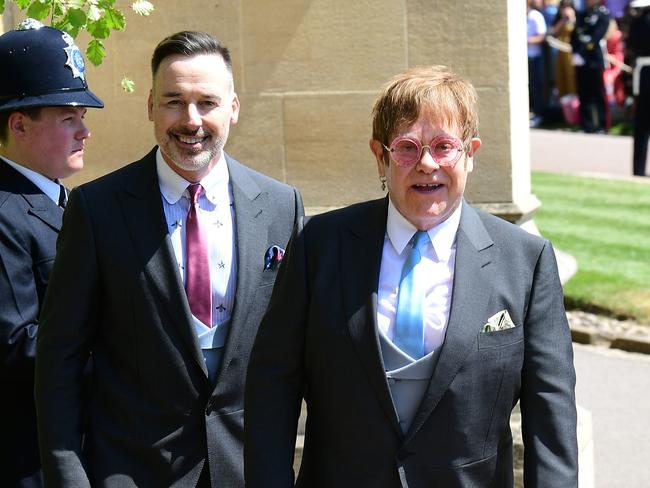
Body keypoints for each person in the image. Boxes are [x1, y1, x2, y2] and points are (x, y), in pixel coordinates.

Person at [245, 65, 578, 487]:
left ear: (470, 153)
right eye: (406, 147)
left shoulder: (525, 261)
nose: (426, 164)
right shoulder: (319, 246)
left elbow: (551, 415)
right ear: (380, 156)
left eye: (443, 146)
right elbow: (272, 387)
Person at [34, 31, 303, 487]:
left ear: (233, 108)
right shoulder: (97, 210)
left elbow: (303, 353)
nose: (191, 120)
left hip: (251, 470)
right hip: (132, 471)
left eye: (207, 103)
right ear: (150, 107)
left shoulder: (282, 207)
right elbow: (60, 359)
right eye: (174, 101)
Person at [0, 19, 104, 487]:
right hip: (29, 461)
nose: (84, 131)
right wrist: (126, 344)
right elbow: (18, 346)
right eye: (68, 118)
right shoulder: (4, 211)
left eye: (82, 117)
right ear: (18, 124)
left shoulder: (57, 201)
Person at [571, 0, 611, 132]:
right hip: (582, 61)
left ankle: (602, 125)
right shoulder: (582, 14)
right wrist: (576, 52)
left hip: (594, 60)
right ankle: (586, 125)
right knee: (583, 94)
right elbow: (576, 34)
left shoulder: (602, 14)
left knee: (598, 94)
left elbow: (596, 36)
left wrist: (582, 50)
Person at [627, 0, 650, 176]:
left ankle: (638, 169)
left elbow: (631, 46)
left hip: (641, 75)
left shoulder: (637, 22)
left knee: (641, 126)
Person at [528, 0, 548, 127]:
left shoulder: (536, 16)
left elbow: (542, 36)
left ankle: (539, 115)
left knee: (536, 87)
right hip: (525, 58)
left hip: (535, 57)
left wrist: (527, 40)